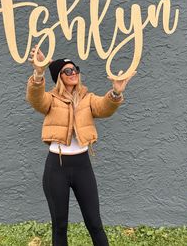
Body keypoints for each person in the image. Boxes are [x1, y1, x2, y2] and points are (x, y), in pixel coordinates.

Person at [26, 45, 137, 246]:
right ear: (59, 76)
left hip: (82, 166)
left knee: (95, 223)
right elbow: (35, 98)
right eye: (67, 70)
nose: (73, 73)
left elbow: (104, 108)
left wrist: (115, 93)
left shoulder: (87, 98)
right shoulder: (50, 99)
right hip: (56, 167)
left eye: (75, 69)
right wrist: (38, 72)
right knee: (60, 225)